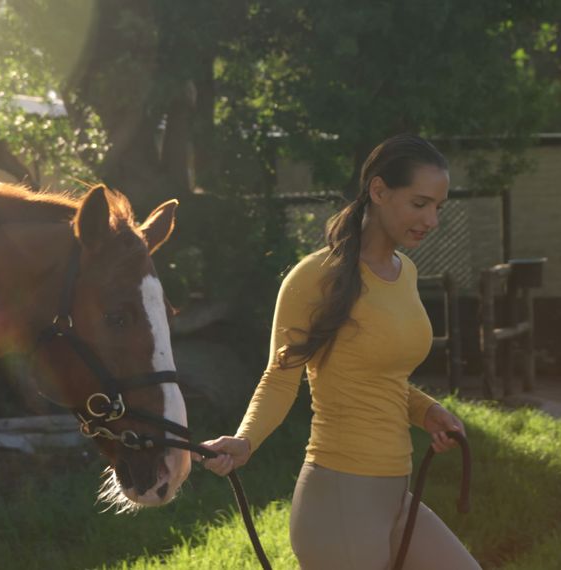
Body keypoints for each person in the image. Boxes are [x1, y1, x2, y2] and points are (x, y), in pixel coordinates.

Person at [198, 134, 481, 569]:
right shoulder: (314, 276)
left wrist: (426, 411)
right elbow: (280, 375)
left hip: (394, 496)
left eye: (438, 207)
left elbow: (378, 377)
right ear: (379, 191)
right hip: (340, 502)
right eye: (420, 203)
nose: (432, 220)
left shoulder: (405, 272)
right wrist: (244, 440)